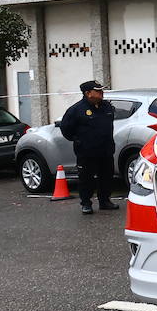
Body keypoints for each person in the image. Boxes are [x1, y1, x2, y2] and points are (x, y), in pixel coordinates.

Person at [59, 80, 119, 216]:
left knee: (106, 176)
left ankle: (105, 201)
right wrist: (79, 141)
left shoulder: (106, 107)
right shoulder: (76, 110)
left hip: (106, 149)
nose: (101, 93)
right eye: (98, 91)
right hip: (87, 152)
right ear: (88, 93)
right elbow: (66, 129)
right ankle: (86, 203)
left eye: (101, 90)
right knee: (86, 179)